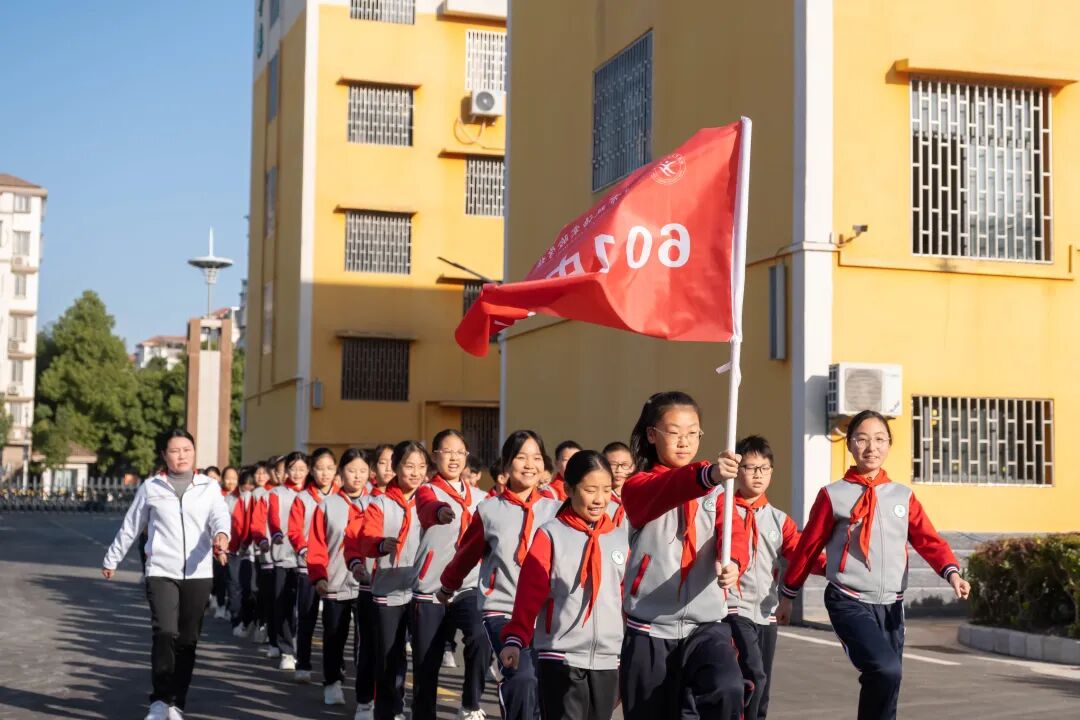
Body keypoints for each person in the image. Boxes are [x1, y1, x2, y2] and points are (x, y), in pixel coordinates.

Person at [777, 410, 971, 720]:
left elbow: (928, 540)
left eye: (880, 439)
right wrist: (788, 595)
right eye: (862, 439)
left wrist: (952, 574)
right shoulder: (833, 495)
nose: (871, 447)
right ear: (850, 445)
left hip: (891, 605)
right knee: (884, 669)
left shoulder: (902, 496)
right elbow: (808, 548)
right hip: (848, 599)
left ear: (889, 444)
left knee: (889, 683)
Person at [619, 391, 746, 720]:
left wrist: (733, 562)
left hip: (705, 627)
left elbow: (734, 533)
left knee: (727, 687)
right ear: (652, 434)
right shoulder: (638, 487)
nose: (684, 441)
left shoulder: (717, 491)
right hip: (650, 631)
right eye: (674, 432)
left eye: (693, 432)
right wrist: (707, 475)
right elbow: (671, 488)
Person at [102, 429, 230, 720]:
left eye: (186, 449)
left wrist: (222, 534)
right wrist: (112, 558)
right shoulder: (151, 487)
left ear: (194, 452)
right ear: (164, 455)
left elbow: (220, 515)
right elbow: (132, 525)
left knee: (187, 640)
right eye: (174, 450)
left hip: (198, 572)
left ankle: (176, 703)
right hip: (161, 571)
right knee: (165, 632)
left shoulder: (209, 486)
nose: (181, 455)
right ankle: (159, 701)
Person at [439, 430, 562, 720]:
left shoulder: (557, 510)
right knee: (521, 677)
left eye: (536, 458)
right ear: (506, 464)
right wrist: (447, 586)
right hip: (502, 609)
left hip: (545, 612)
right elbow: (466, 555)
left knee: (541, 684)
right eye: (521, 457)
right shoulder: (489, 510)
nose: (529, 464)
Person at [500, 450, 628, 720]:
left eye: (606, 490)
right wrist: (515, 638)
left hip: (608, 659)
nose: (600, 499)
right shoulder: (550, 534)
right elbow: (529, 594)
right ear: (569, 489)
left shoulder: (619, 538)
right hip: (560, 656)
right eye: (590, 490)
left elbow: (627, 598)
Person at [726, 435, 822, 719]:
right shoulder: (722, 512)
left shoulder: (780, 521)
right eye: (750, 467)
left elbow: (803, 554)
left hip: (766, 612)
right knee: (751, 674)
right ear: (737, 470)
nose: (758, 474)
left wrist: (838, 568)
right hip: (733, 609)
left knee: (762, 684)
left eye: (764, 468)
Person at [347, 440, 427, 720]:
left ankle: (403, 708)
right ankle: (378, 707)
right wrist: (380, 545)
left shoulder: (431, 500)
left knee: (421, 658)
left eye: (421, 466)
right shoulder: (377, 503)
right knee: (386, 655)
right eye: (409, 466)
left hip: (421, 588)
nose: (415, 472)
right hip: (385, 588)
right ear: (395, 468)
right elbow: (364, 538)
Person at [412, 430, 489, 720]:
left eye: (460, 452)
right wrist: (440, 511)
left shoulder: (482, 498)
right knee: (426, 663)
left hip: (468, 585)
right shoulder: (427, 491)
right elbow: (427, 508)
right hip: (432, 587)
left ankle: (470, 703)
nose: (454, 457)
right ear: (435, 456)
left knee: (480, 636)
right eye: (447, 451)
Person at [308, 448, 373, 710]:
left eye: (362, 471)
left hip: (368, 584)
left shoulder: (377, 503)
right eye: (351, 471)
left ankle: (364, 692)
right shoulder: (327, 505)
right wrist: (319, 577)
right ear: (340, 473)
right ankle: (332, 681)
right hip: (335, 582)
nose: (357, 476)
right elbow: (317, 545)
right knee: (335, 635)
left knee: (366, 641)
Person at [253, 451, 309, 670]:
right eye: (293, 469)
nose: (297, 473)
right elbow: (267, 520)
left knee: (302, 608)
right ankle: (285, 648)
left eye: (302, 469)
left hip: (307, 559)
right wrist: (268, 538)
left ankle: (297, 647)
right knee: (282, 603)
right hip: (283, 556)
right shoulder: (274, 494)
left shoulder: (313, 495)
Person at [288, 447, 338, 683]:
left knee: (334, 622)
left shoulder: (342, 497)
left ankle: (335, 668)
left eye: (330, 468)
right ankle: (303, 664)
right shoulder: (302, 499)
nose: (325, 473)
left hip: (337, 568)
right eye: (319, 468)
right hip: (308, 567)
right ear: (312, 470)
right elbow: (294, 531)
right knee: (307, 617)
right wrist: (305, 550)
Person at [222, 467, 254, 638]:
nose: (247, 490)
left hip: (250, 551)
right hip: (233, 549)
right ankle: (236, 619)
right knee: (234, 586)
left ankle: (248, 620)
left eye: (251, 486)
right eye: (244, 486)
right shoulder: (229, 500)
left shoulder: (257, 498)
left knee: (249, 588)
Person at [250, 461, 276, 647]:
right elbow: (251, 522)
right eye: (258, 473)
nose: (261, 476)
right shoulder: (259, 495)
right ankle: (262, 623)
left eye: (263, 473)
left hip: (286, 554)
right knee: (262, 590)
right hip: (262, 549)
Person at [602, 441, 634, 526]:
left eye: (624, 465)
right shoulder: (599, 499)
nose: (618, 470)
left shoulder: (637, 497)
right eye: (613, 465)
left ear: (633, 467)